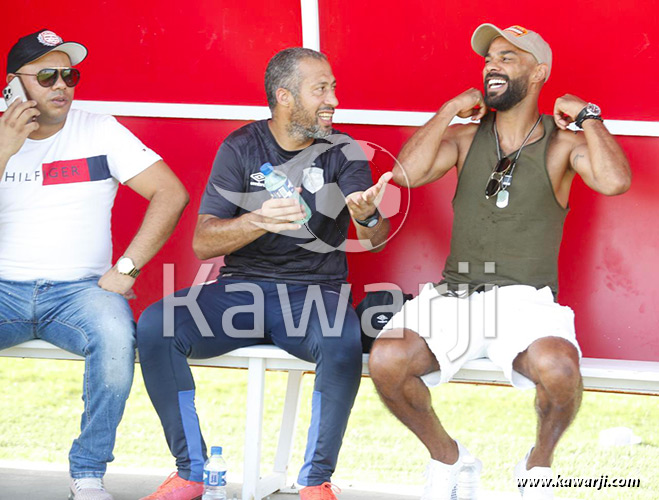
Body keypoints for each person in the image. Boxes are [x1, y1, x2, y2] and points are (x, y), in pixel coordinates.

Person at [368, 23, 631, 500]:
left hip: (524, 300)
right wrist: (450, 108)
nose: (493, 65)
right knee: (386, 360)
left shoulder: (562, 143)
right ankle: (450, 459)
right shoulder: (466, 137)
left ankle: (537, 467)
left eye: (508, 58)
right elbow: (405, 174)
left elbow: (615, 181)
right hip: (456, 295)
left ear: (539, 73)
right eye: (489, 58)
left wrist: (589, 117)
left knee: (560, 370)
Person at [136, 47, 392, 500]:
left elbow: (375, 238)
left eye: (333, 88)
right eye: (321, 89)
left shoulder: (343, 150)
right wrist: (258, 220)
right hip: (242, 292)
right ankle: (191, 472)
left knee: (341, 341)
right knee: (156, 326)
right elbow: (203, 242)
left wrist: (367, 215)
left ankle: (315, 482)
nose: (333, 99)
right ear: (285, 96)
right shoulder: (241, 146)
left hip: (314, 294)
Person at [0, 29, 189, 500]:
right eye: (47, 76)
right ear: (12, 84)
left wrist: (127, 267)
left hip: (80, 292)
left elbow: (170, 192)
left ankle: (87, 473)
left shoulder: (99, 129)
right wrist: (5, 148)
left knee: (115, 339)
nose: (61, 86)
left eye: (70, 76)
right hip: (3, 287)